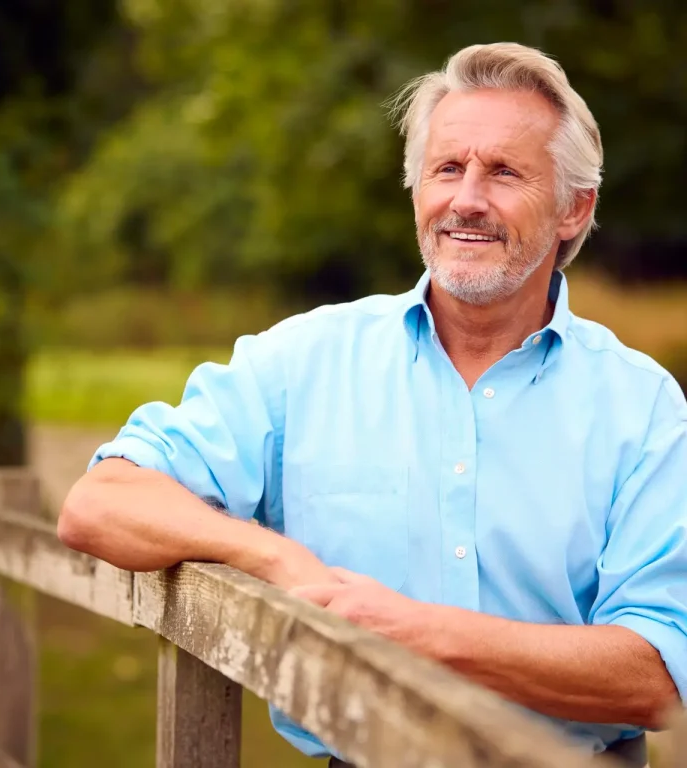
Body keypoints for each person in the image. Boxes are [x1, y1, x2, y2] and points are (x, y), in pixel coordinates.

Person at [58, 42, 687, 768]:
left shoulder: (642, 406)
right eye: (447, 168)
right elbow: (101, 503)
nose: (467, 199)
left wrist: (413, 631)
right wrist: (277, 558)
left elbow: (659, 673)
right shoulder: (303, 361)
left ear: (575, 209)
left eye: (505, 172)